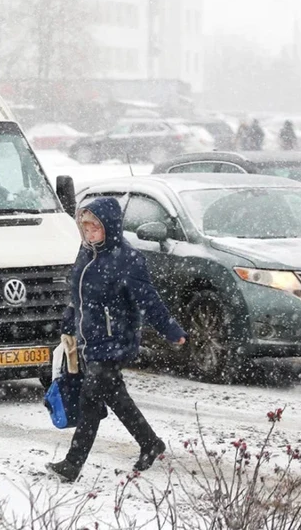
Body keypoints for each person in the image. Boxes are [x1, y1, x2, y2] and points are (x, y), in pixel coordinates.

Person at [47, 197, 187, 483]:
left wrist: (172, 331)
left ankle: (73, 464)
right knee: (115, 397)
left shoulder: (128, 260)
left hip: (115, 341)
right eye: (85, 229)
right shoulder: (86, 254)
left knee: (90, 400)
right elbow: (78, 295)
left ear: (109, 227)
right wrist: (68, 324)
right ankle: (150, 442)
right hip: (90, 341)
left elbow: (149, 300)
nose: (89, 235)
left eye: (94, 229)